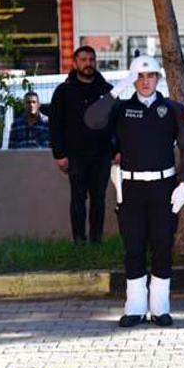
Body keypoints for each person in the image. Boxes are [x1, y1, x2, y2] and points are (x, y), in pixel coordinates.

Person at [85, 55, 184, 328]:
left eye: (150, 76)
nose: (146, 82)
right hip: (131, 188)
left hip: (164, 187)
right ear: (133, 80)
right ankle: (134, 307)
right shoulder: (121, 108)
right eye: (140, 77)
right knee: (133, 246)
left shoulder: (172, 108)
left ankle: (160, 308)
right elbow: (92, 119)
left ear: (158, 79)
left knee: (162, 246)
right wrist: (119, 87)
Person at [49, 46, 113, 245]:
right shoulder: (64, 91)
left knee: (99, 199)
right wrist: (59, 154)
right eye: (83, 60)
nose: (88, 64)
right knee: (78, 199)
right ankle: (78, 240)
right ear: (75, 63)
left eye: (91, 59)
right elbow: (55, 124)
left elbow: (116, 123)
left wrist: (117, 150)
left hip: (102, 155)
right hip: (75, 155)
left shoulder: (107, 90)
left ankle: (96, 240)